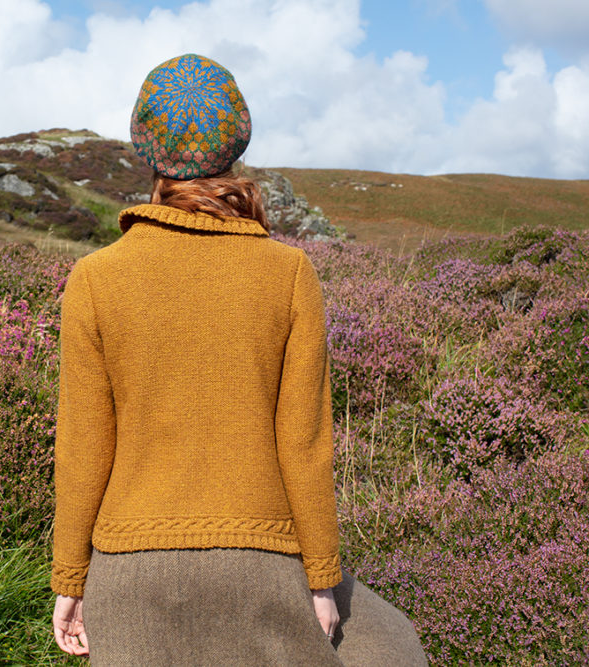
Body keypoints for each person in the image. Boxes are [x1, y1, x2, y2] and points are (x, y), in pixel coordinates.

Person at [50, 53, 427, 666]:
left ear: (146, 149)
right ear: (237, 142)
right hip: (265, 564)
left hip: (126, 576)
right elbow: (305, 442)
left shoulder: (96, 279)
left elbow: (83, 444)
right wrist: (321, 575)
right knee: (395, 647)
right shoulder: (289, 273)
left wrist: (70, 581)